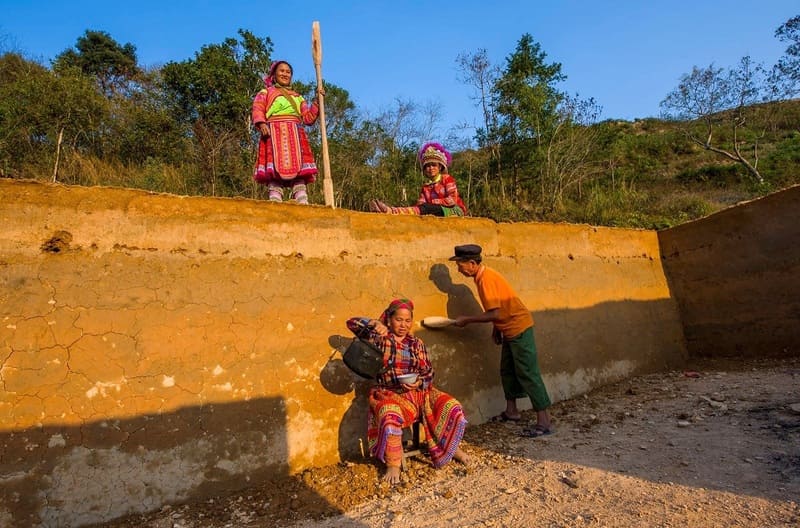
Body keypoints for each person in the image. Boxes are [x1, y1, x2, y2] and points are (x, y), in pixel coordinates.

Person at [346, 298, 469, 483]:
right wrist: (374, 323)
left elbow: (429, 372)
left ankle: (451, 447)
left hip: (419, 392)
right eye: (398, 319)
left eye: (407, 320)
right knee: (389, 414)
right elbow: (351, 323)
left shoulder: (416, 343)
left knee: (451, 405)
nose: (403, 325)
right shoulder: (379, 338)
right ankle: (393, 464)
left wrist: (419, 381)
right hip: (388, 393)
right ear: (389, 318)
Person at [448, 244, 553, 437]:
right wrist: (497, 328)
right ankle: (512, 412)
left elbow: (495, 312)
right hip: (509, 330)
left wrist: (467, 320)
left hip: (519, 329)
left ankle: (544, 421)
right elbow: (499, 308)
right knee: (507, 371)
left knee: (528, 373)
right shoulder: (483, 277)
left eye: (460, 265)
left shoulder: (485, 279)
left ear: (472, 263)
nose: (459, 269)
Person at [252, 60, 324, 204]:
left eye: (288, 72)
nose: (285, 74)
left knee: (299, 169)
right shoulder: (265, 93)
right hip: (273, 133)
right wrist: (261, 123)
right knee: (274, 169)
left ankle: (302, 200)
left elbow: (308, 118)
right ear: (274, 74)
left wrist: (317, 101)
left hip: (295, 134)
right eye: (282, 71)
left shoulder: (298, 97)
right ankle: (275, 199)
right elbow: (258, 108)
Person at [369, 142, 468, 216]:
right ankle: (389, 210)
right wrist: (423, 207)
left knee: (427, 208)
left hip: (453, 210)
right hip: (432, 209)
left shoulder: (447, 179)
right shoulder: (426, 187)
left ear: (440, 167)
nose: (431, 168)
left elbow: (452, 200)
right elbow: (420, 205)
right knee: (420, 209)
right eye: (427, 166)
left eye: (434, 165)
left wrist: (432, 203)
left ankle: (390, 211)